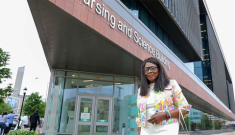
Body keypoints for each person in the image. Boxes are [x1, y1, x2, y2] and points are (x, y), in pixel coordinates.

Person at [136, 57, 191, 135]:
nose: (149, 71)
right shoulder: (141, 90)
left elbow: (185, 109)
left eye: (153, 68)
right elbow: (140, 116)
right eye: (146, 69)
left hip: (167, 128)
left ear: (159, 69)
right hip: (146, 130)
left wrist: (165, 115)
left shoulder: (171, 84)